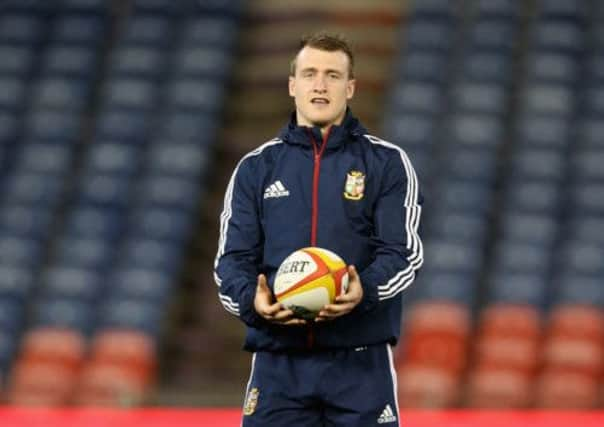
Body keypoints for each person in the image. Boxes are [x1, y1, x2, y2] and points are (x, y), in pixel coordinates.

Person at [214, 31, 423, 427]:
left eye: (333, 75)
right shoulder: (256, 169)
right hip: (279, 365)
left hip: (360, 364)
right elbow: (231, 262)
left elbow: (403, 253)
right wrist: (252, 303)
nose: (321, 84)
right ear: (293, 85)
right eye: (310, 73)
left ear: (351, 87)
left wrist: (366, 291)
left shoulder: (388, 163)